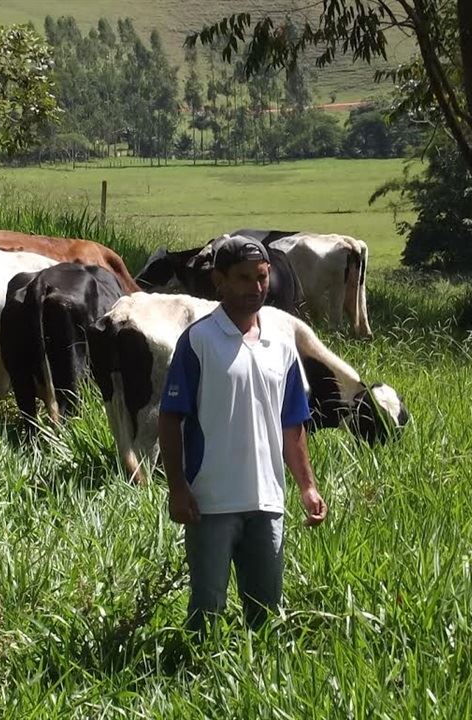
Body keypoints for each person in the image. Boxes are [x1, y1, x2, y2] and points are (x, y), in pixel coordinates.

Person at [158, 236, 329, 633]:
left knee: (267, 614)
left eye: (262, 277)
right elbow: (170, 419)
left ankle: (255, 686)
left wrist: (307, 485)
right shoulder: (198, 342)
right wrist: (177, 489)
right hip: (211, 503)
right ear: (219, 280)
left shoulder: (282, 344)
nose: (256, 288)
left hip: (268, 501)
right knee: (207, 610)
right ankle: (194, 676)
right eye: (243, 278)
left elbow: (292, 422)